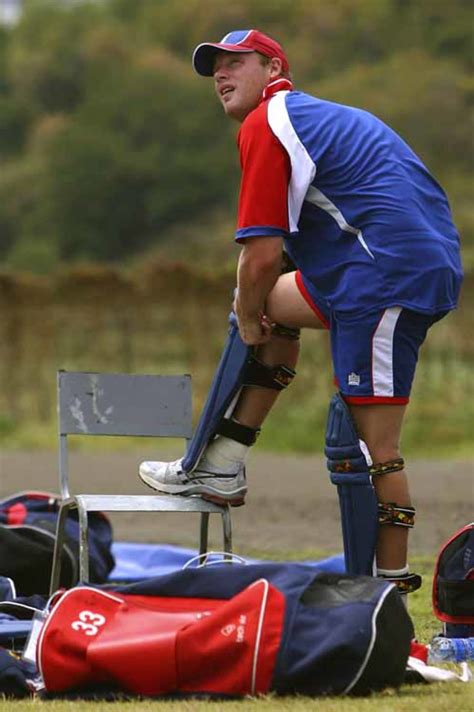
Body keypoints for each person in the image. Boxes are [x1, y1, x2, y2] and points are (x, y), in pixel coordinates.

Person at [139, 30, 462, 587]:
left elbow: (260, 256)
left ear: (272, 68)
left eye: (236, 63)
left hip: (381, 277)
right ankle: (219, 464)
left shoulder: (267, 123)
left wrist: (247, 314)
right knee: (270, 306)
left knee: (368, 447)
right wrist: (252, 307)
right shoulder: (312, 116)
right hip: (382, 266)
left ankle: (384, 593)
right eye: (215, 67)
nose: (221, 74)